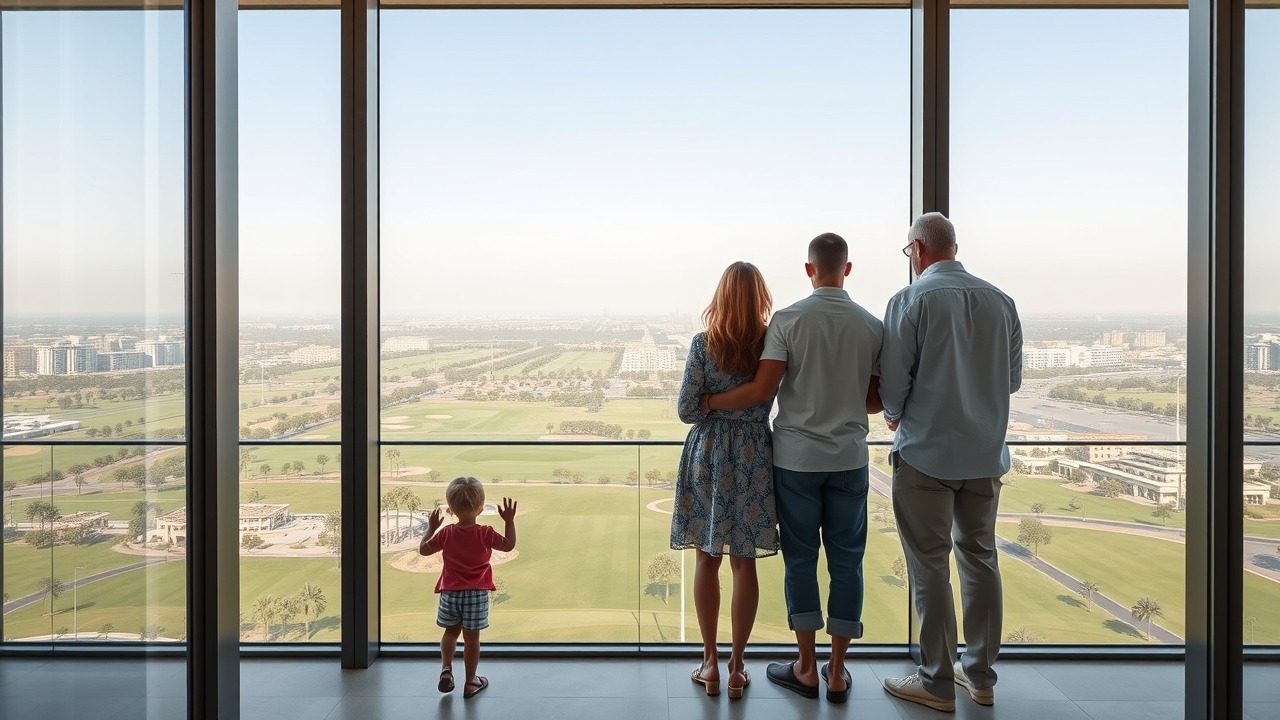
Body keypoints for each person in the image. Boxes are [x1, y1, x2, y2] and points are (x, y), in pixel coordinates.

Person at [703, 233, 883, 704]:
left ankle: (805, 667)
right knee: (847, 561)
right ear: (847, 269)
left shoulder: (787, 321)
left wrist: (709, 401)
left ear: (809, 270)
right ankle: (838, 672)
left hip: (797, 460)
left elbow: (763, 390)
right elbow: (876, 400)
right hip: (849, 459)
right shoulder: (871, 326)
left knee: (801, 560)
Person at [878, 212, 1022, 712]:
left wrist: (895, 416)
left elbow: (893, 384)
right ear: (953, 248)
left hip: (926, 455)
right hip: (984, 455)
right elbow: (1013, 381)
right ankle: (979, 676)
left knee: (929, 568)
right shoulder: (1001, 302)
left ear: (917, 249)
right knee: (980, 560)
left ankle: (937, 680)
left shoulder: (910, 300)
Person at [672, 261, 779, 700]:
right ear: (761, 299)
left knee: (706, 559)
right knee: (744, 562)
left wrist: (711, 403)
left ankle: (710, 663)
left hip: (709, 454)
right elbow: (768, 395)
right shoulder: (772, 344)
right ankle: (737, 667)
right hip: (753, 455)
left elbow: (686, 410)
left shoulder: (703, 344)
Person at [419, 477, 517, 700]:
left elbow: (424, 550)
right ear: (481, 507)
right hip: (476, 593)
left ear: (450, 509)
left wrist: (431, 528)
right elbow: (509, 545)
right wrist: (509, 521)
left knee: (450, 632)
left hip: (449, 592)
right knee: (472, 639)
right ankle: (471, 682)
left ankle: (446, 669)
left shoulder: (446, 533)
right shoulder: (485, 533)